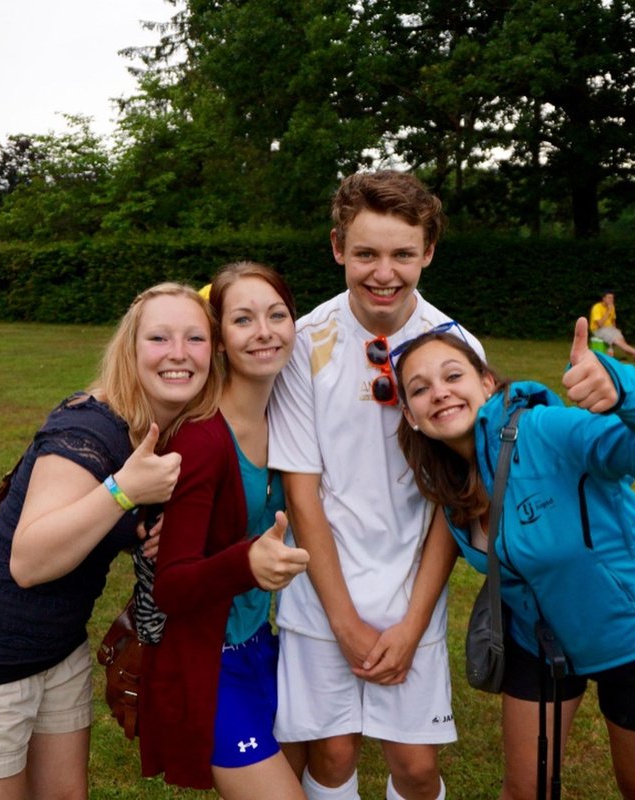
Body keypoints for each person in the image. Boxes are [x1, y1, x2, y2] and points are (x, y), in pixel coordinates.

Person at [393, 320, 635, 800]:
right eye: (420, 389)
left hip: (634, 636)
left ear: (486, 383)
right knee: (525, 792)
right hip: (538, 643)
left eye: (453, 376)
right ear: (411, 415)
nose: (439, 392)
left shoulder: (547, 432)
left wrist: (624, 391)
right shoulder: (449, 478)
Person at [0, 282, 209, 800]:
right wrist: (124, 491)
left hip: (59, 649)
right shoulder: (88, 429)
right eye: (159, 338)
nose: (179, 353)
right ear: (131, 349)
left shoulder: (157, 430)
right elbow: (29, 561)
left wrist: (151, 530)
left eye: (195, 338)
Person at [267, 170, 482, 800]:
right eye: (365, 254)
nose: (383, 273)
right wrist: (343, 623)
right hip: (320, 597)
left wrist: (414, 623)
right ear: (338, 248)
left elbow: (455, 499)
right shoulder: (305, 342)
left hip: (411, 598)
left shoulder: (454, 347)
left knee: (414, 767)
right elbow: (302, 493)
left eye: (402, 255)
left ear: (428, 253)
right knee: (332, 754)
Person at [139, 262, 310, 798]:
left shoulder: (287, 418)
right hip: (211, 659)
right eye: (242, 320)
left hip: (265, 645)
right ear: (218, 341)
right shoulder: (203, 440)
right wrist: (246, 563)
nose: (264, 332)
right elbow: (171, 586)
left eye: (277, 315)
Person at [590, 291, 635, 363]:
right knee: (618, 341)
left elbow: (613, 321)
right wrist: (608, 311)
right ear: (604, 298)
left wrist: (615, 330)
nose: (611, 300)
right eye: (609, 298)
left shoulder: (612, 307)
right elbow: (599, 324)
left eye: (612, 298)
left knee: (623, 342)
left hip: (610, 329)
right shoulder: (597, 307)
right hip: (599, 329)